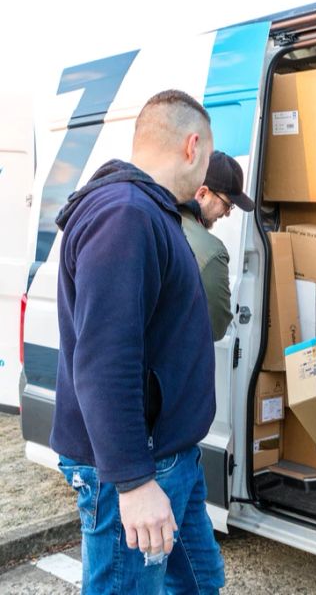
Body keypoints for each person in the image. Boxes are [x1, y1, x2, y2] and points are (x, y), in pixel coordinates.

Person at [51, 89, 226, 594]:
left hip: (173, 454)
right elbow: (105, 361)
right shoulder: (126, 215)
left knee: (200, 580)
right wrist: (132, 480)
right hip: (140, 465)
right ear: (193, 146)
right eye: (209, 155)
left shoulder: (150, 210)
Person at [180, 150, 254, 340]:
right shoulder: (211, 251)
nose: (228, 213)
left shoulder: (156, 217)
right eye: (227, 204)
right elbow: (217, 326)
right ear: (203, 193)